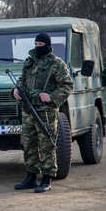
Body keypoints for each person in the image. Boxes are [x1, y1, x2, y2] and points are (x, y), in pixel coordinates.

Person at [13, 33, 73, 193]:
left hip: (45, 112)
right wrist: (16, 90)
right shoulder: (30, 62)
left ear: (47, 45)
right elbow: (22, 80)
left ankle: (47, 178)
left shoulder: (57, 64)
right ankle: (31, 177)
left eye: (41, 44)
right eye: (36, 44)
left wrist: (51, 97)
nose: (38, 47)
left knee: (47, 144)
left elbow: (67, 85)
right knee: (28, 144)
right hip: (28, 110)